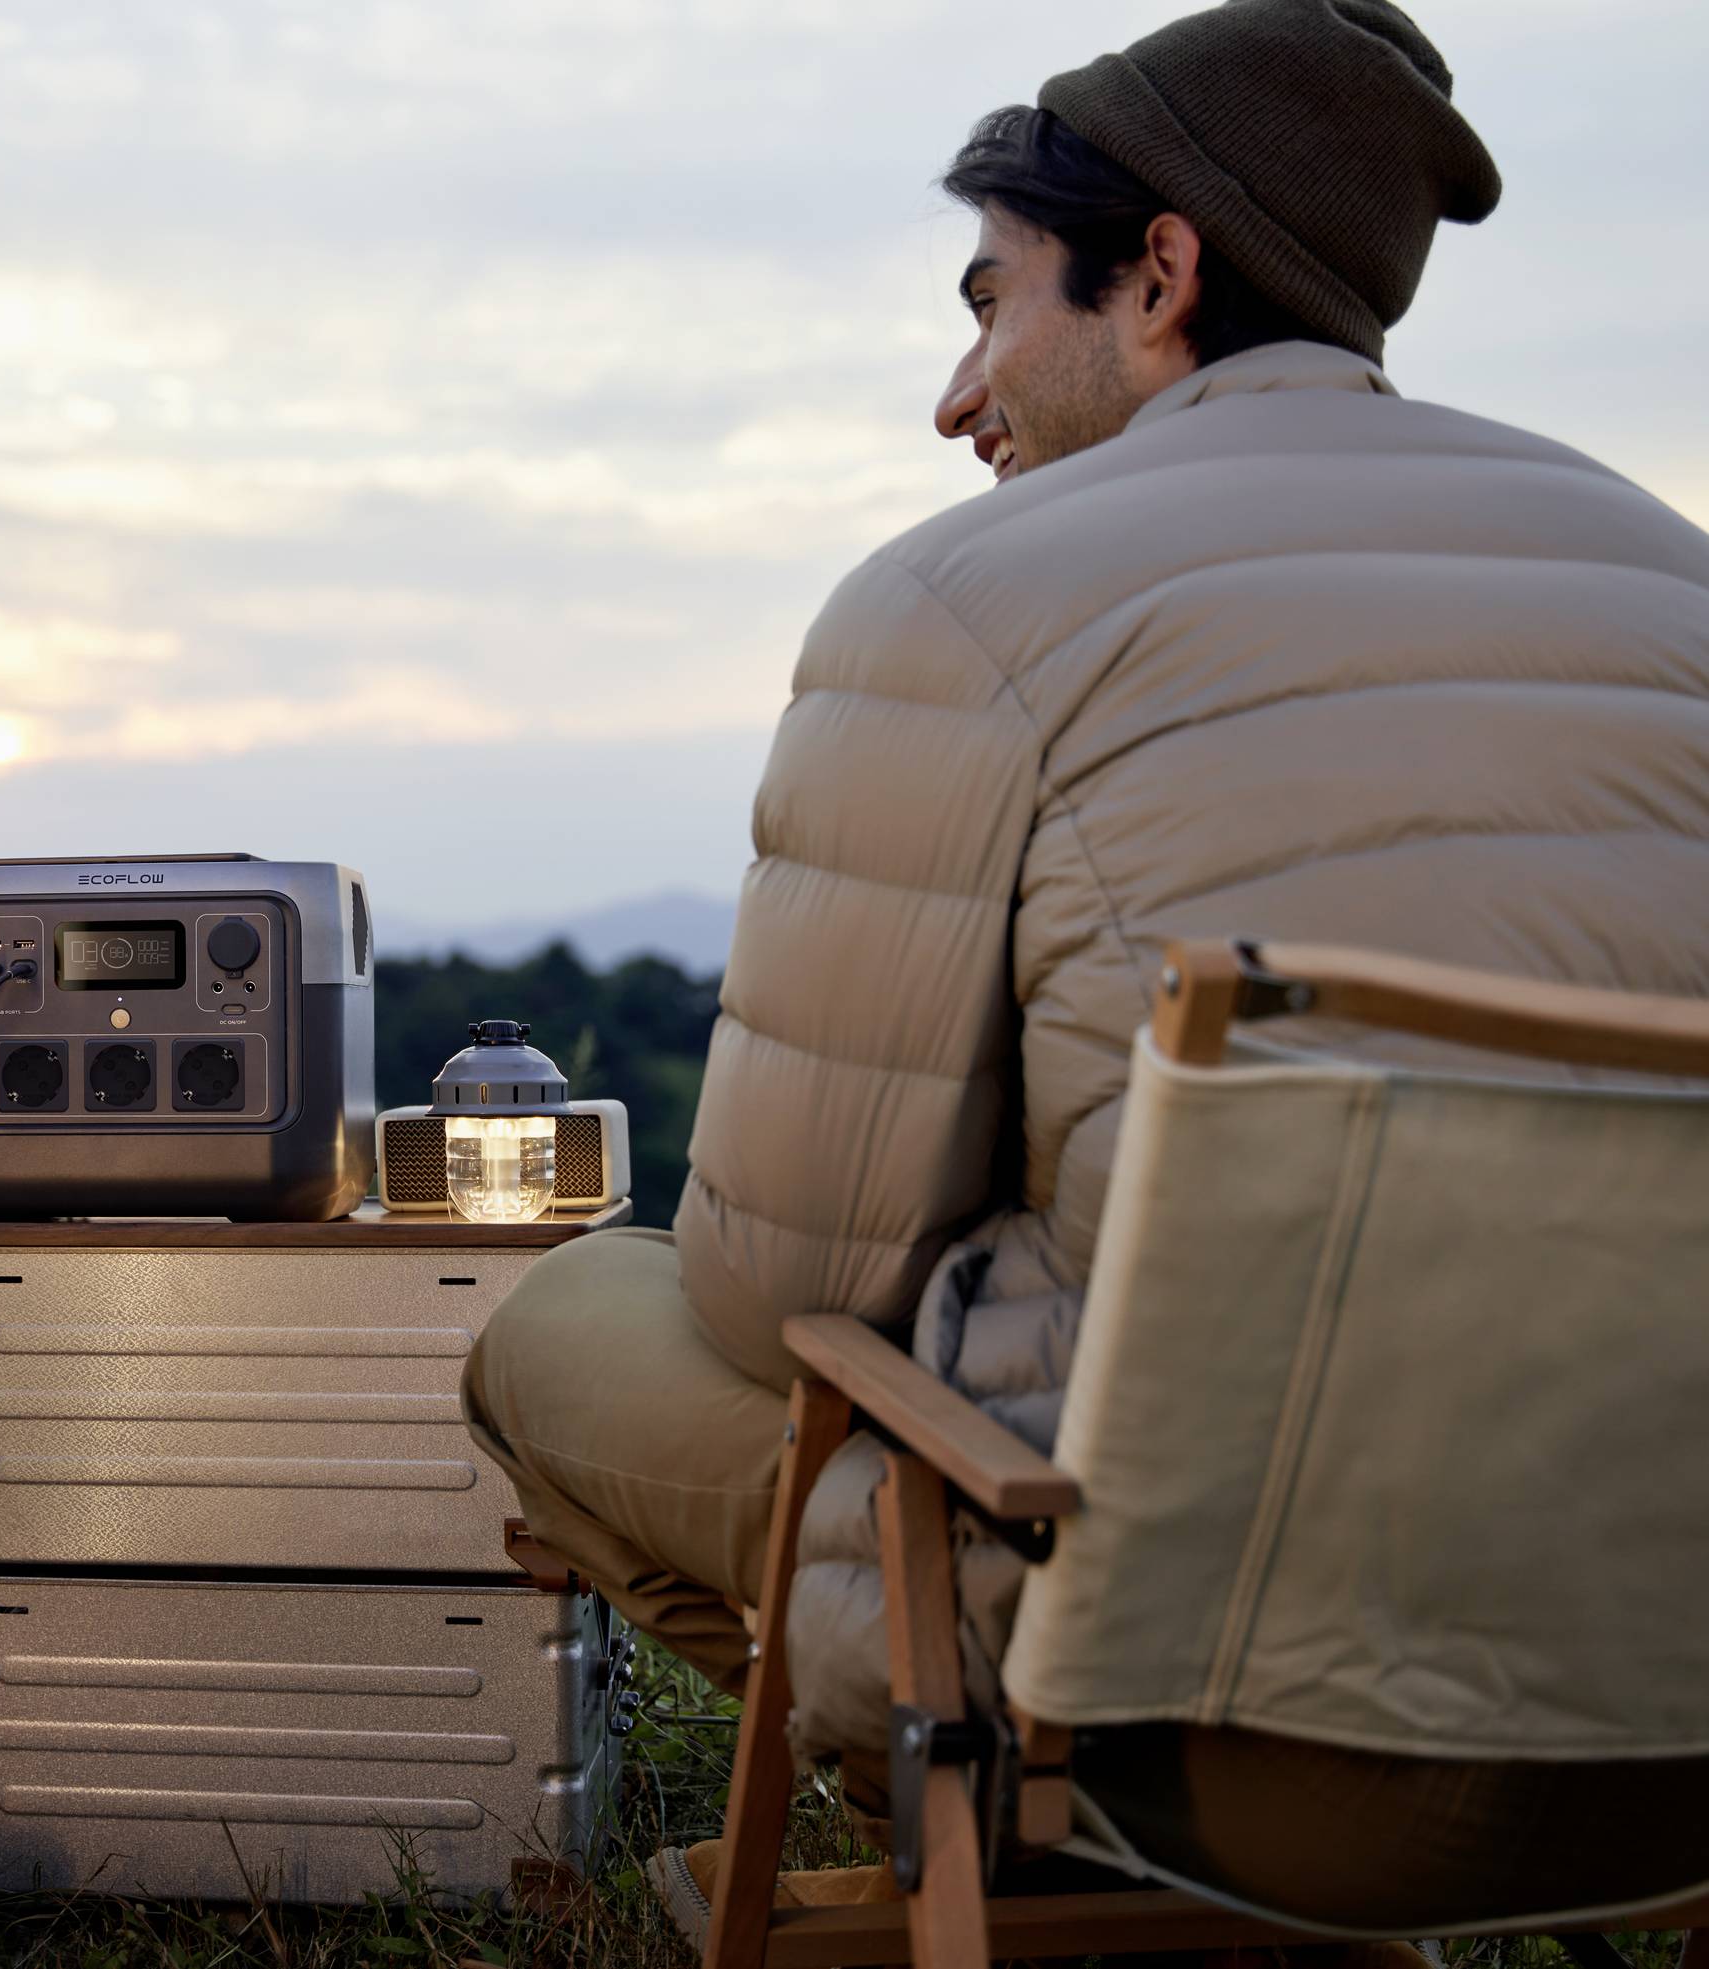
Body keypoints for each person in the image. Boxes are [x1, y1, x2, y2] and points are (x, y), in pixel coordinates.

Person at [458, 0, 1709, 1940]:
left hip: (1237, 1750)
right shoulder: (1675, 582)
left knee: (558, 1325)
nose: (959, 396)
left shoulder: (965, 603)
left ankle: (1007, 1832)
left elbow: (790, 1285)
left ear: (1159, 275)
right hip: (1675, 1719)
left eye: (989, 303)